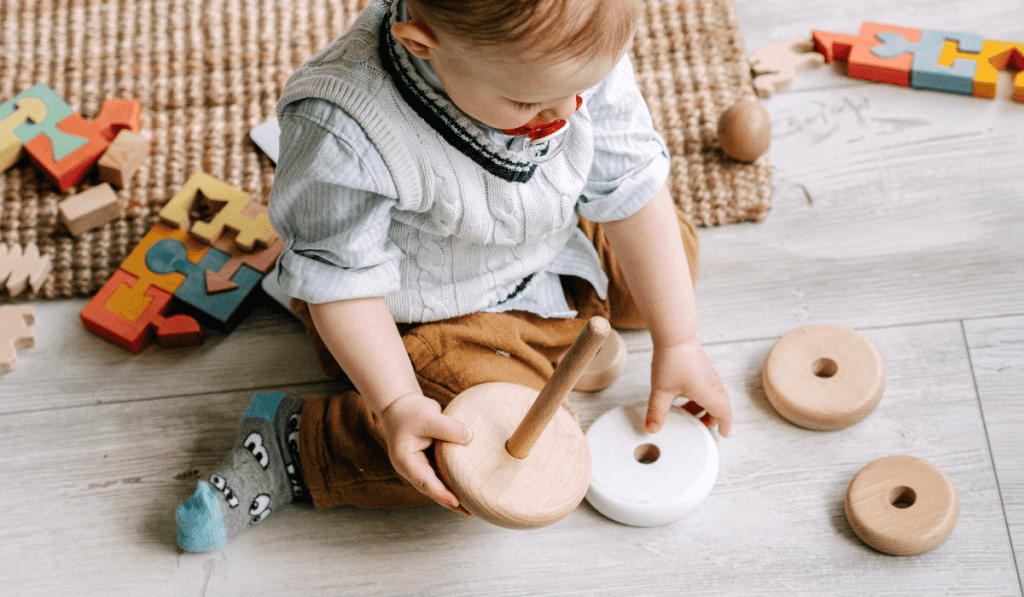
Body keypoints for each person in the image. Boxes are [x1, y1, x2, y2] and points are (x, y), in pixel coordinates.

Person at [176, 0, 732, 552]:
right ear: (421, 43)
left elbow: (629, 179)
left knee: (671, 257)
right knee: (468, 447)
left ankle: (558, 331)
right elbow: (344, 286)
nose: (564, 114)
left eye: (584, 89)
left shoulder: (574, 48)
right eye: (528, 102)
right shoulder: (344, 126)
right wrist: (396, 405)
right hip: (423, 312)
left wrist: (679, 340)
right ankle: (296, 444)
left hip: (547, 237)